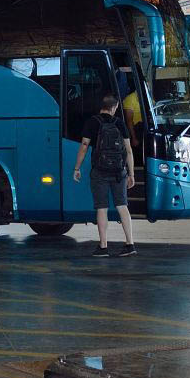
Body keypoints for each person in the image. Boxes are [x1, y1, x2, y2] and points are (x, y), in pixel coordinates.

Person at [73, 93, 137, 258]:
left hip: (99, 171)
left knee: (102, 208)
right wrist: (131, 174)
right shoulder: (120, 123)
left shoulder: (92, 122)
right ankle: (130, 244)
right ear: (114, 107)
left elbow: (84, 146)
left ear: (102, 106)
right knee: (122, 206)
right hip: (119, 172)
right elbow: (128, 150)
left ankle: (103, 247)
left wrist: (77, 168)